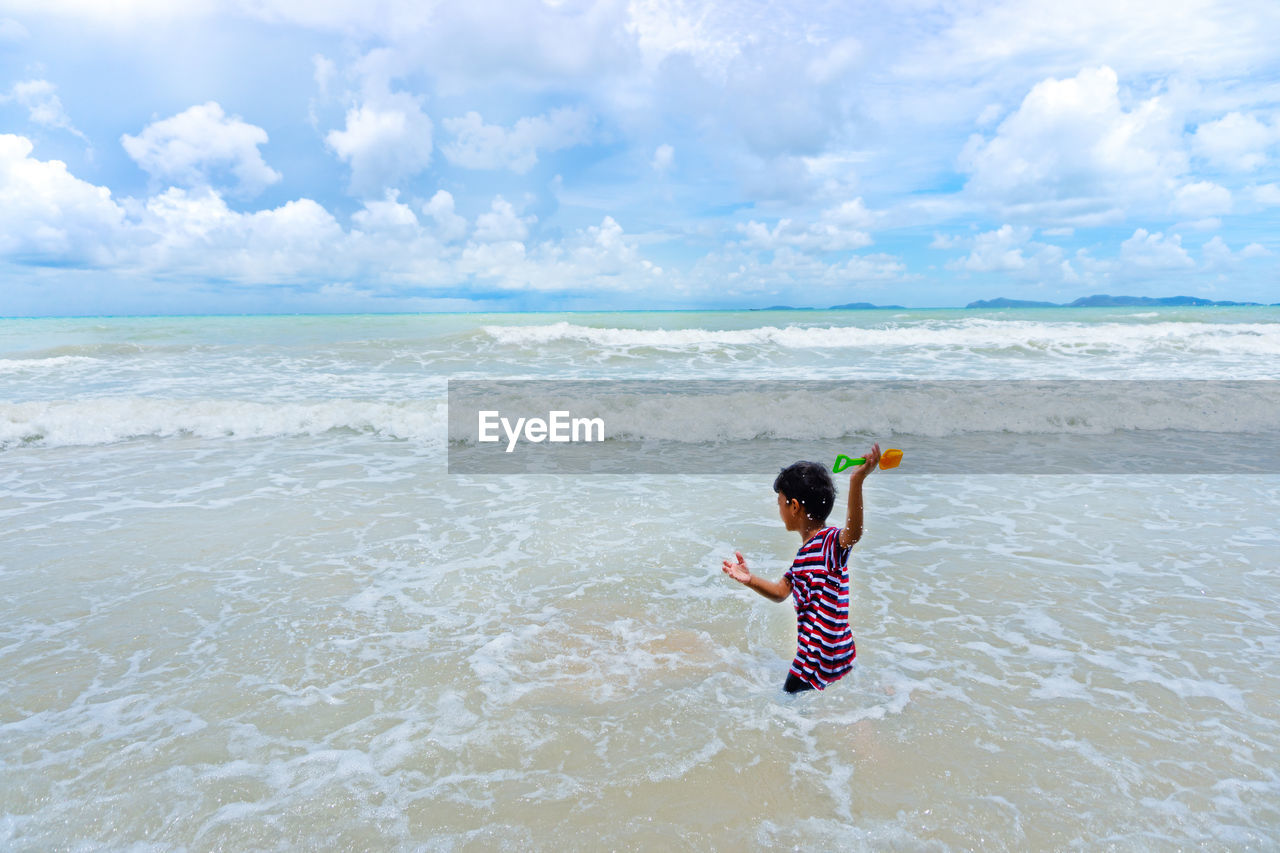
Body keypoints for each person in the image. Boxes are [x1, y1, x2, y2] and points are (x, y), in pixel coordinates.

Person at [722, 444, 881, 693]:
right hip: (838, 657)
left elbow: (853, 534)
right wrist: (749, 579)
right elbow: (780, 592)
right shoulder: (802, 558)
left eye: (780, 503)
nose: (779, 509)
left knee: (784, 712)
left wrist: (856, 480)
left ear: (794, 506)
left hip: (812, 665)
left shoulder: (829, 542)